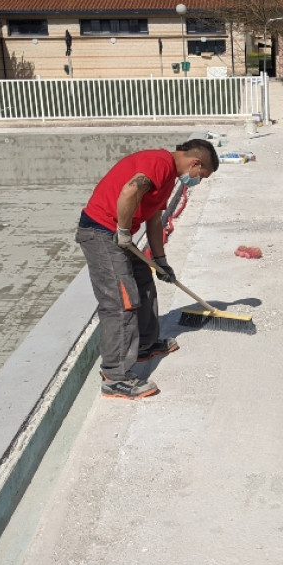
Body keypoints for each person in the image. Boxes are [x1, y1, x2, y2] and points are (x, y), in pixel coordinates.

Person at [75, 139, 219, 400]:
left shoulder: (167, 178)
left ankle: (144, 345)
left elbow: (153, 219)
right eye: (201, 176)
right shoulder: (159, 162)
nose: (198, 180)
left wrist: (161, 261)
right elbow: (130, 190)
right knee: (121, 302)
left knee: (144, 283)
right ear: (195, 163)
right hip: (100, 233)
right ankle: (115, 377)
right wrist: (122, 230)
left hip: (118, 233)